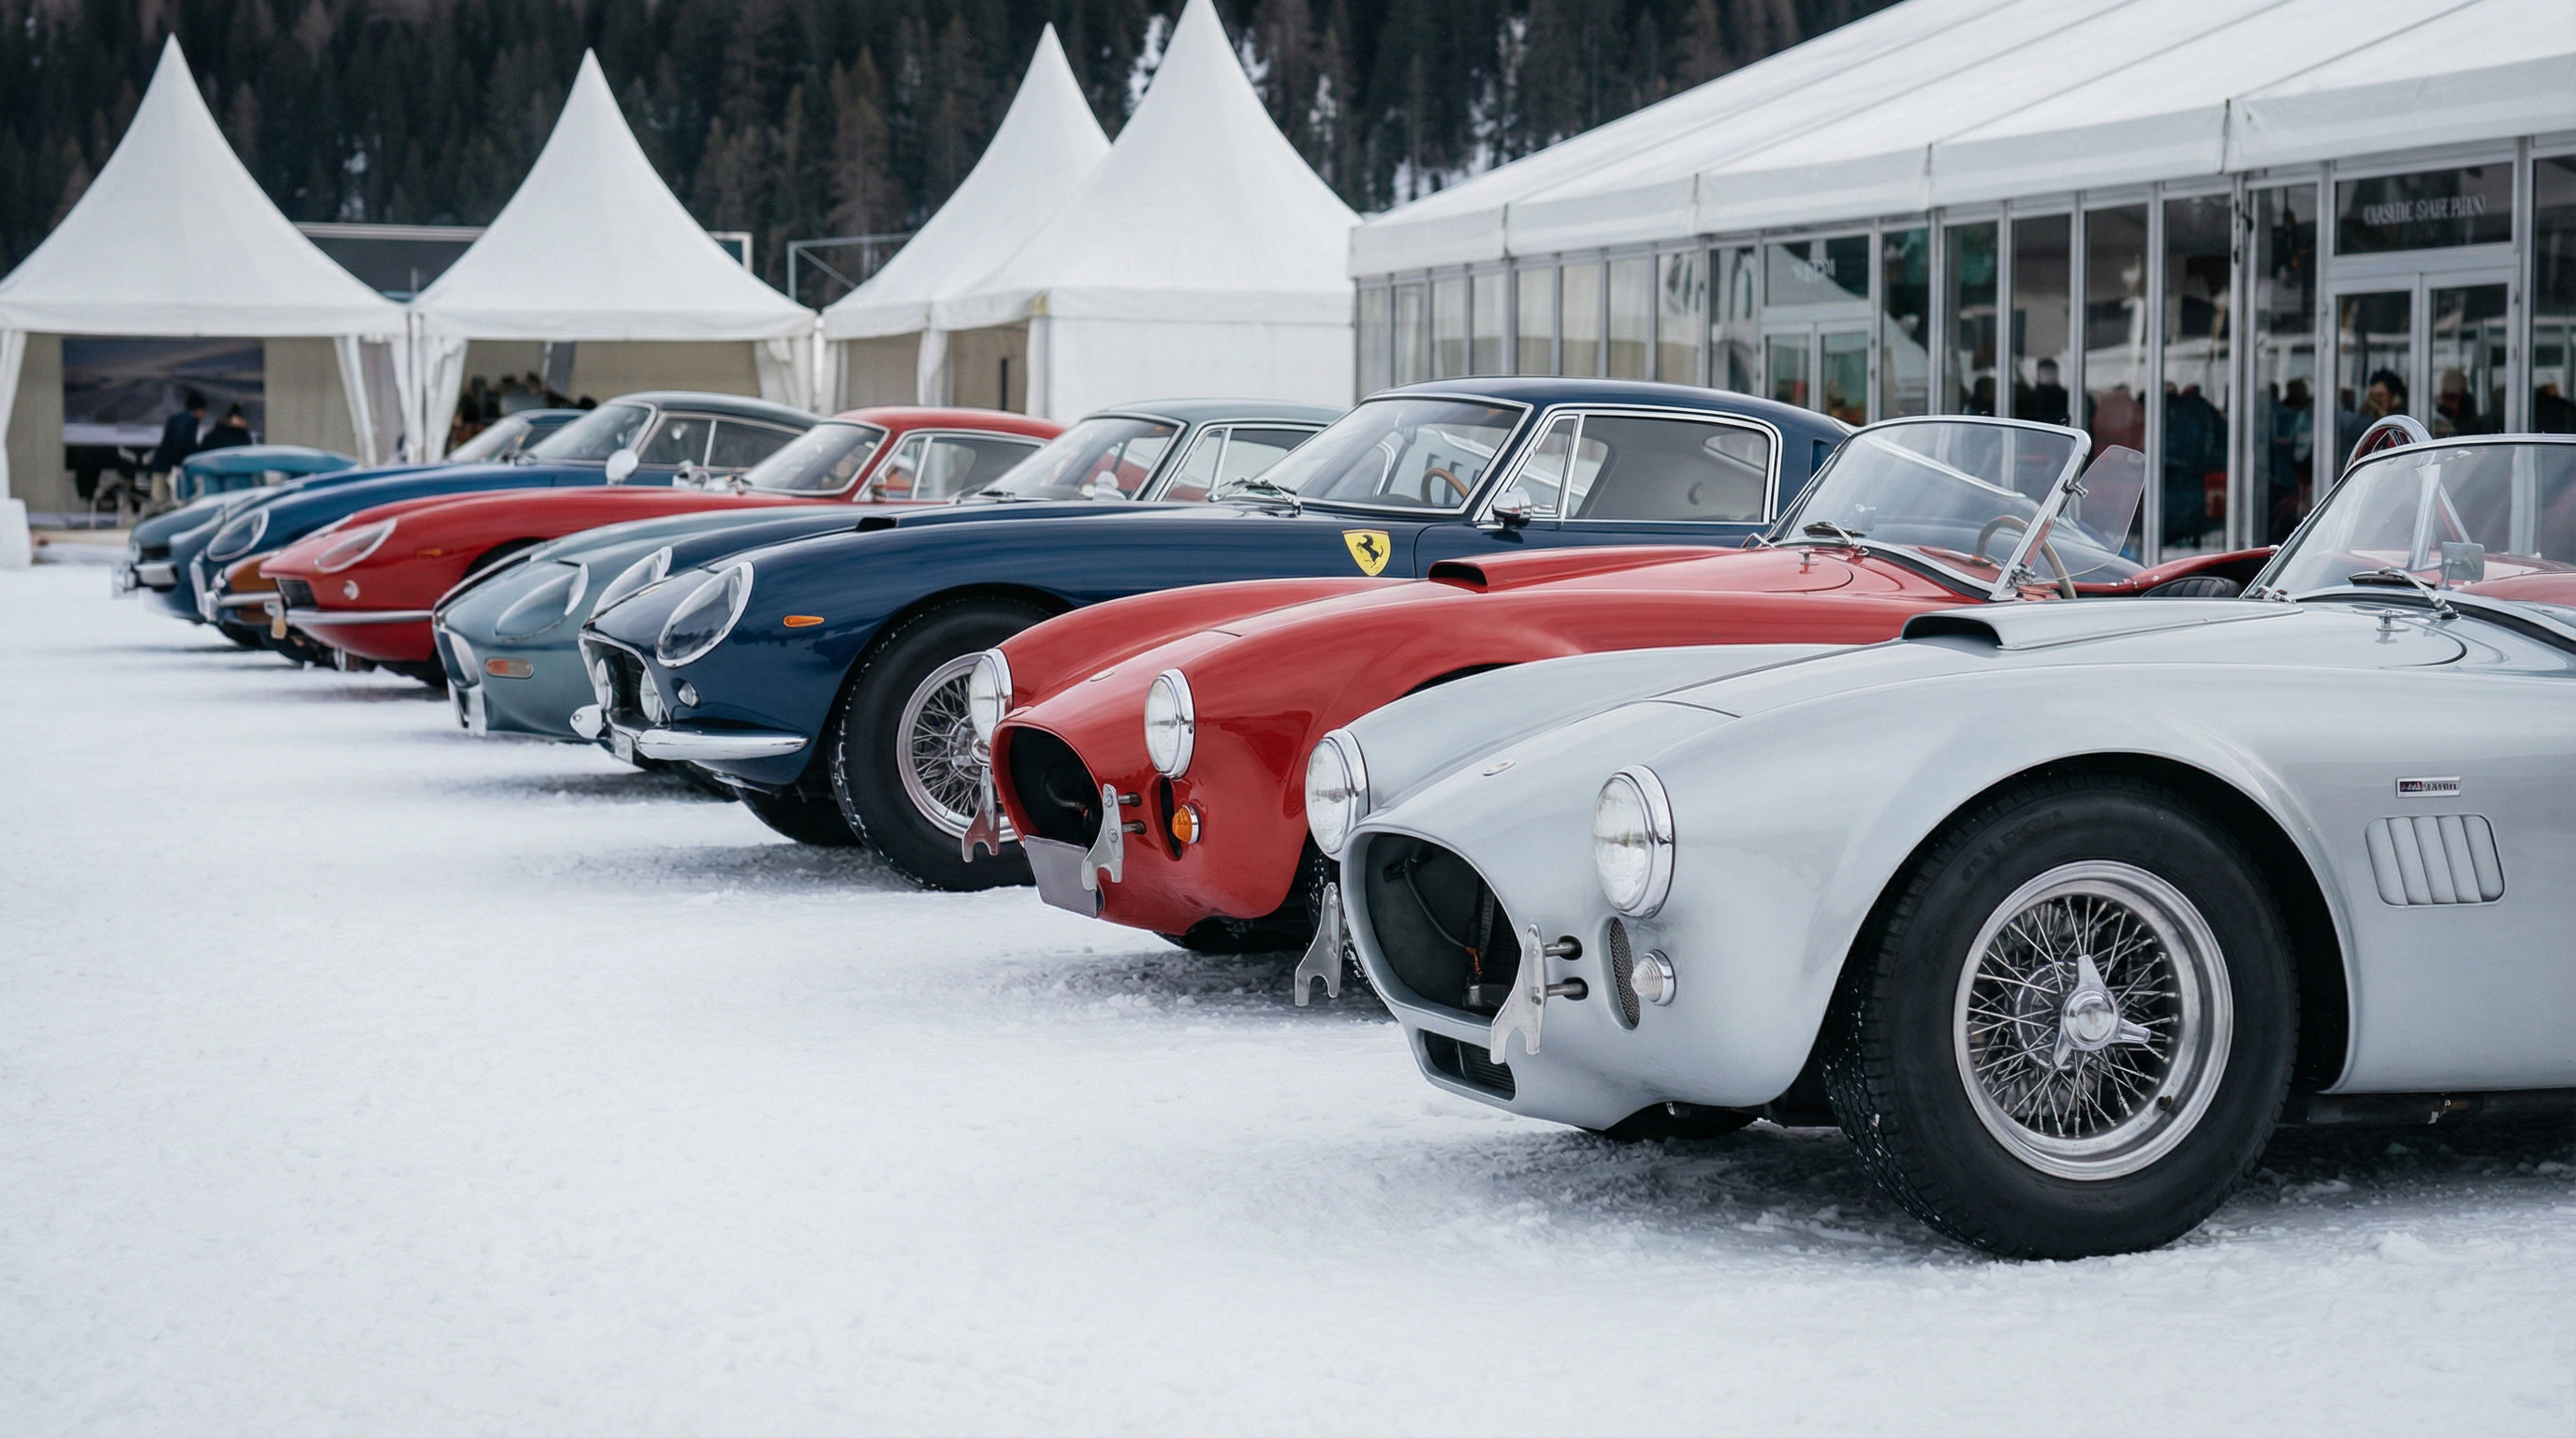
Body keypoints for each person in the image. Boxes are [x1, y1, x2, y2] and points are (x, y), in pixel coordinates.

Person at [145, 389, 208, 511]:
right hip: (171, 464)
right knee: (169, 497)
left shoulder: (176, 418)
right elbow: (183, 443)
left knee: (159, 495)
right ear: (199, 409)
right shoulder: (190, 421)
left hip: (163, 462)